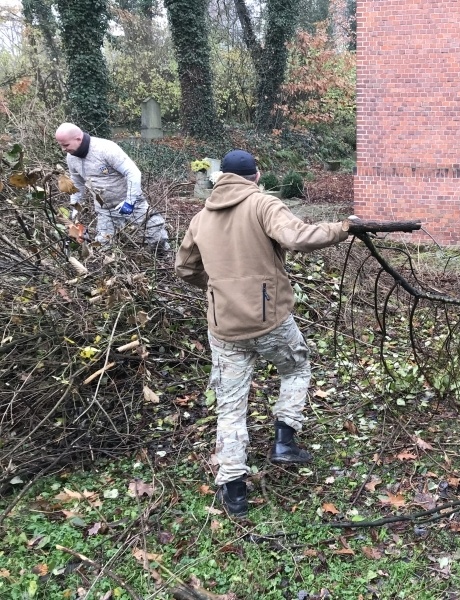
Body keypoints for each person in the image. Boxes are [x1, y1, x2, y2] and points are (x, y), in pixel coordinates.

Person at [175, 149, 353, 517]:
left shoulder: (200, 218)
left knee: (230, 406)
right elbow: (299, 237)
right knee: (297, 368)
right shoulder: (263, 204)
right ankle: (285, 440)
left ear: (219, 177)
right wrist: (344, 228)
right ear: (255, 176)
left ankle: (235, 491)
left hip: (224, 329)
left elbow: (185, 268)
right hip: (270, 321)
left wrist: (218, 286)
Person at [54, 122, 170, 251]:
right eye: (60, 146)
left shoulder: (105, 149)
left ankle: (165, 259)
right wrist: (75, 207)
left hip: (130, 202)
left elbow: (133, 172)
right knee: (103, 245)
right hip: (105, 209)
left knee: (156, 236)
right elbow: (77, 183)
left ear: (78, 139)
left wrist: (130, 201)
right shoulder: (71, 158)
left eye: (65, 145)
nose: (63, 149)